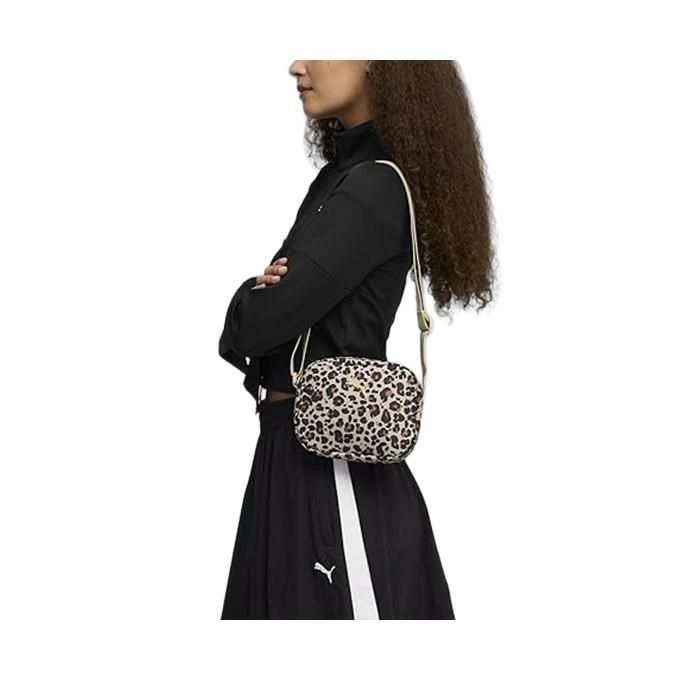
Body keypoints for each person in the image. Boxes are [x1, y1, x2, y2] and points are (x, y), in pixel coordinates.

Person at [218, 60, 495, 619]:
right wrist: (259, 299)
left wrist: (250, 296)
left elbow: (259, 325)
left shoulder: (372, 187)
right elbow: (267, 319)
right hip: (291, 458)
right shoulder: (340, 179)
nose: (297, 65)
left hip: (332, 472)